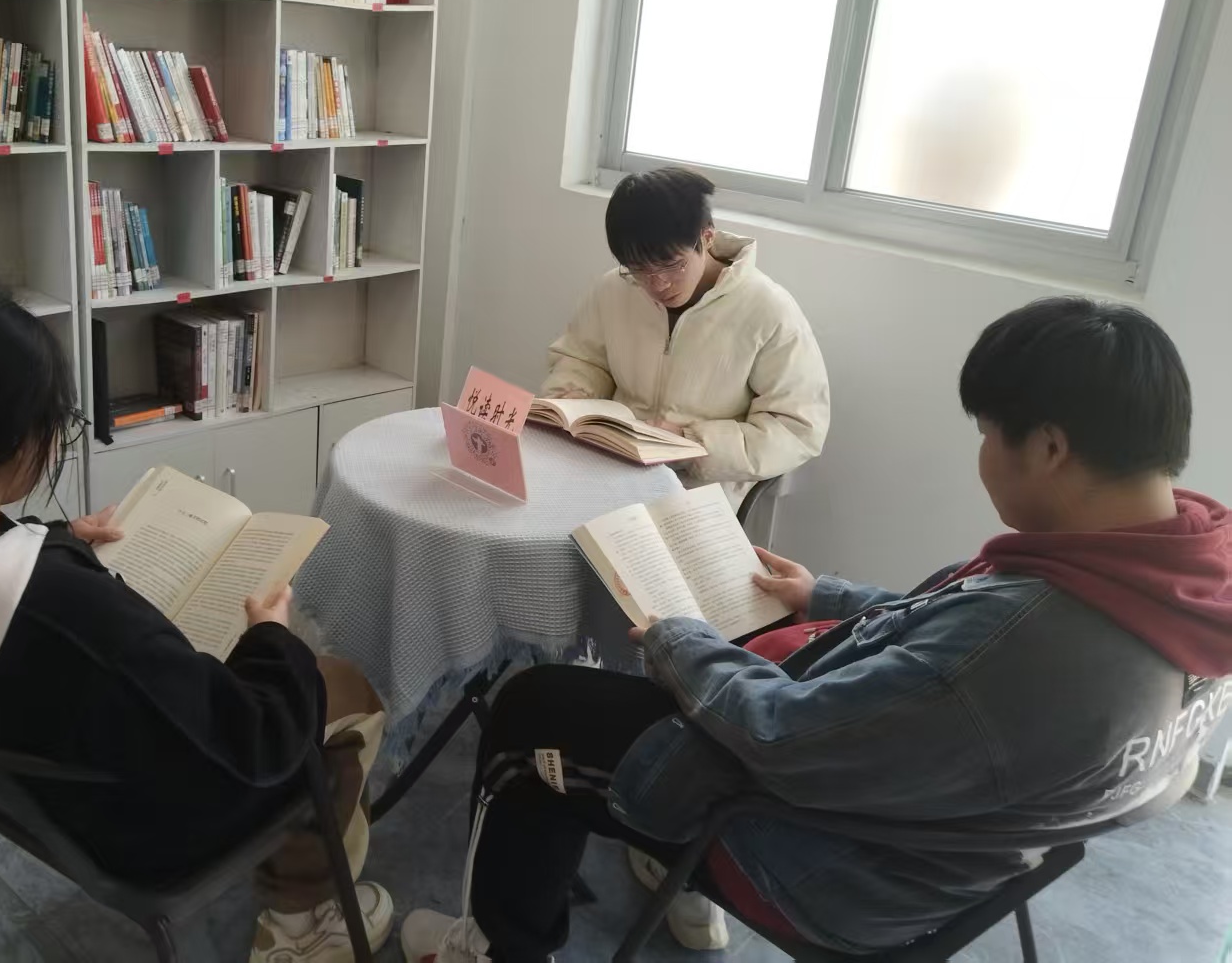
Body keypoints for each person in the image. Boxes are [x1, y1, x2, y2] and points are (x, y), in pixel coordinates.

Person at [402, 296, 1232, 961]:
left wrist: (678, 640)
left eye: (986, 434)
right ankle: (636, 860)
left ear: (1049, 448)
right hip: (946, 837)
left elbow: (784, 733)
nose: (982, 454)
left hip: (824, 857)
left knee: (532, 711)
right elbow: (953, 640)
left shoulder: (1035, 645)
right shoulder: (1184, 583)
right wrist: (824, 597)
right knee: (682, 659)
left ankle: (499, 945)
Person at [0, 284, 391, 963]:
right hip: (153, 830)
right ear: (8, 441)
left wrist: (54, 540)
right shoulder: (66, 617)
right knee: (340, 687)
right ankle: (303, 924)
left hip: (58, 808)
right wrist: (271, 639)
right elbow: (254, 744)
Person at [540, 166, 829, 506]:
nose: (657, 283)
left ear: (706, 237)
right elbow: (583, 358)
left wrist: (690, 443)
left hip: (699, 494)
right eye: (639, 269)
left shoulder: (768, 311)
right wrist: (575, 394)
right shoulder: (614, 289)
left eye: (671, 264)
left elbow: (797, 428)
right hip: (610, 471)